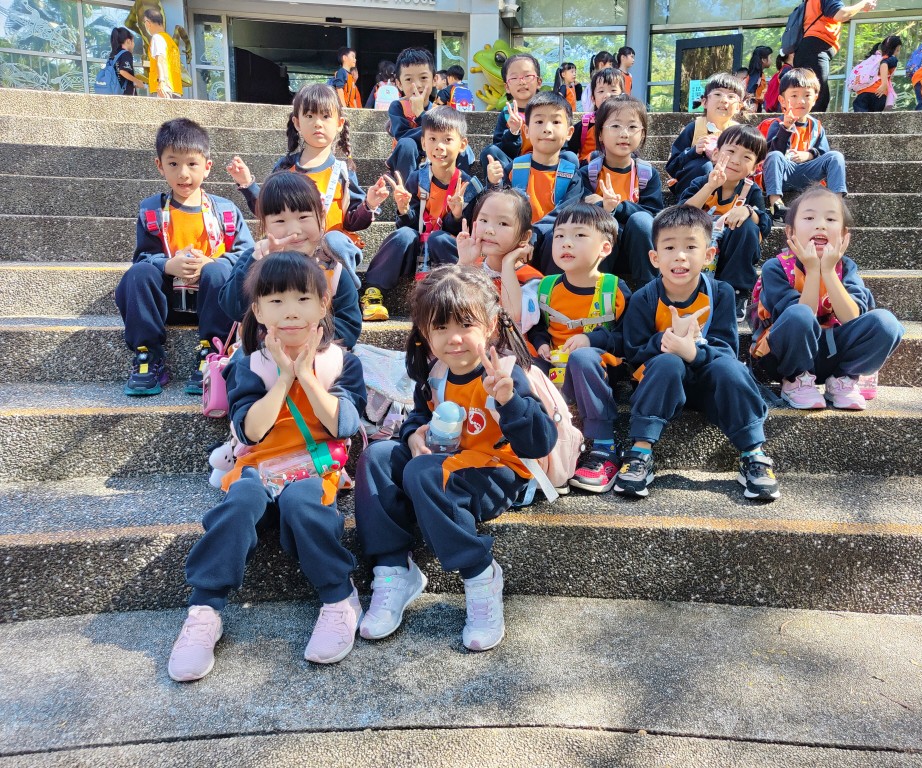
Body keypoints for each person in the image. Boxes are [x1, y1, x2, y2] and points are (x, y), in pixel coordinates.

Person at [166, 252, 368, 682]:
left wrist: (306, 375)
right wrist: (282, 378)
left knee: (303, 501)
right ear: (257, 311)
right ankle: (204, 612)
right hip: (259, 466)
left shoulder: (342, 362)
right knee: (240, 499)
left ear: (323, 304)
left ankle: (338, 597)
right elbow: (251, 431)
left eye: (302, 299)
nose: (290, 311)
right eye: (276, 301)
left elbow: (345, 424)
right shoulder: (248, 362)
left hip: (313, 467)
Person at [354, 265, 557, 651]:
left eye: (465, 324)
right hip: (445, 467)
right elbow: (419, 416)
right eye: (440, 327)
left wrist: (509, 401)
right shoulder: (435, 374)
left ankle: (480, 576)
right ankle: (394, 571)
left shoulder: (504, 374)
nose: (454, 338)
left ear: (491, 326)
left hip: (495, 476)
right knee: (378, 456)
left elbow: (539, 443)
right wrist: (414, 434)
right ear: (425, 333)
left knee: (423, 472)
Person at [615, 206, 779, 502]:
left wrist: (692, 351)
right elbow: (634, 355)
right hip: (660, 386)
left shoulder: (720, 293)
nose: (680, 256)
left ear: (709, 255)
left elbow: (725, 349)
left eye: (691, 247)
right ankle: (640, 451)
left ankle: (753, 453)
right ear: (654, 257)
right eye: (669, 247)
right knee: (667, 363)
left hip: (708, 385)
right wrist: (666, 341)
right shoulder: (644, 298)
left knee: (732, 369)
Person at [116, 118, 253, 396]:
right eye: (173, 164)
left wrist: (212, 262)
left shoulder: (226, 211)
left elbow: (246, 255)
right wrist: (168, 265)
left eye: (192, 164)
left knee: (219, 271)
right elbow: (144, 257)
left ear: (207, 166)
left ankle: (212, 351)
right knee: (138, 274)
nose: (183, 174)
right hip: (168, 302)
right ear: (160, 165)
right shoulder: (152, 211)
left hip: (214, 302)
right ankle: (148, 355)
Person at [749, 187, 904, 410]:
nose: (820, 225)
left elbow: (852, 317)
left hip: (833, 354)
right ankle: (796, 382)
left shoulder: (846, 268)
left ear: (843, 234)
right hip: (786, 356)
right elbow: (800, 316)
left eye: (830, 219)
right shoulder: (776, 267)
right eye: (809, 218)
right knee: (800, 314)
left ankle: (843, 380)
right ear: (790, 232)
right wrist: (813, 270)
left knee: (886, 323)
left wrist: (829, 271)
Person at [225, 84, 387, 281]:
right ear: (297, 122)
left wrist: (369, 204)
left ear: (339, 123)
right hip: (295, 245)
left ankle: (347, 287)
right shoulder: (286, 168)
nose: (317, 123)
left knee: (334, 240)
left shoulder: (343, 172)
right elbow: (269, 212)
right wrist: (248, 184)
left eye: (325, 116)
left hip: (331, 253)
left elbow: (352, 223)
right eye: (309, 116)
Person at [528, 204, 630, 493]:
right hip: (555, 367)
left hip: (598, 369)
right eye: (559, 236)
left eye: (579, 235)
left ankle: (604, 447)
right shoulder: (546, 287)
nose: (566, 243)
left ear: (605, 248)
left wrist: (592, 340)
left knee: (584, 358)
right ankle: (539, 447)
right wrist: (541, 343)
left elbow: (628, 337)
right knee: (524, 368)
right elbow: (537, 326)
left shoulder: (614, 289)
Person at [360, 107, 484, 322]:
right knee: (403, 236)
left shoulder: (469, 186)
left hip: (448, 253)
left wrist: (456, 216)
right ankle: (373, 292)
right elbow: (408, 226)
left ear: (463, 144)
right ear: (424, 143)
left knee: (439, 238)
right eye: (433, 139)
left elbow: (469, 234)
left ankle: (463, 295)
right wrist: (404, 209)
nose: (439, 146)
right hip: (419, 247)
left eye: (447, 140)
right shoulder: (418, 179)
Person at [219, 172, 362, 349]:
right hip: (263, 355)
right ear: (265, 224)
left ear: (321, 216)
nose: (294, 230)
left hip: (317, 355)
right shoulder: (254, 258)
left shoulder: (334, 271)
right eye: (280, 220)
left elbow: (349, 326)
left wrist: (301, 337)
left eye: (303, 217)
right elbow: (233, 308)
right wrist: (256, 263)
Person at [487, 91, 584, 275]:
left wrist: (534, 234)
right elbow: (497, 206)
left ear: (570, 132)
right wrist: (493, 184)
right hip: (516, 240)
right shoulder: (514, 168)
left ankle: (550, 289)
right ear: (526, 131)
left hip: (550, 244)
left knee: (557, 236)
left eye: (556, 122)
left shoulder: (572, 176)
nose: (547, 128)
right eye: (539, 121)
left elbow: (565, 213)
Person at [680, 124, 771, 318]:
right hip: (700, 253)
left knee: (748, 226)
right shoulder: (701, 182)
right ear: (715, 154)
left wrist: (748, 211)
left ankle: (737, 291)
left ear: (754, 168)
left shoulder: (751, 190)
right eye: (731, 151)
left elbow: (765, 224)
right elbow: (681, 215)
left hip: (732, 258)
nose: (736, 160)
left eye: (746, 157)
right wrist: (709, 187)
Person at [579, 94, 664, 286]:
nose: (624, 134)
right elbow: (580, 213)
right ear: (600, 133)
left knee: (641, 220)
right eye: (615, 126)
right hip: (601, 253)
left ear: (642, 134)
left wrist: (618, 207)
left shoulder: (647, 174)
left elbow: (654, 215)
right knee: (601, 222)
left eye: (632, 127)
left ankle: (649, 290)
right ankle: (596, 289)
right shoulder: (588, 174)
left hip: (638, 250)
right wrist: (604, 208)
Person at [762, 68, 847, 220]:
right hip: (783, 173)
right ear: (782, 100)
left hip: (808, 173)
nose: (801, 101)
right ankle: (776, 203)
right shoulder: (776, 123)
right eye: (794, 95)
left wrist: (808, 155)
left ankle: (837, 202)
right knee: (774, 156)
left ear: (815, 99)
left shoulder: (816, 126)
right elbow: (771, 153)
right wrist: (785, 129)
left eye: (807, 95)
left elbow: (824, 153)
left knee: (836, 156)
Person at [456, 188, 542, 334]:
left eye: (502, 223)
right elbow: (446, 306)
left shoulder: (530, 280)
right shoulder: (472, 268)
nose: (489, 230)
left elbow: (513, 318)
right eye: (483, 220)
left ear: (525, 237)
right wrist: (463, 263)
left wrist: (508, 264)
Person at [384, 47, 474, 185]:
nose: (417, 85)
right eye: (409, 79)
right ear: (399, 84)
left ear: (434, 80)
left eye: (423, 78)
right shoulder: (397, 106)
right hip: (408, 160)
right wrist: (423, 117)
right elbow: (402, 135)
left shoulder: (440, 110)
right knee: (407, 144)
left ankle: (458, 187)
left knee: (463, 147)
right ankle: (408, 193)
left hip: (436, 156)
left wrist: (421, 113)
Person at [665, 73, 744, 200]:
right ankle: (687, 206)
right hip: (691, 187)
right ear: (705, 102)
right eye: (718, 94)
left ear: (739, 107)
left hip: (725, 186)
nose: (724, 100)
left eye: (731, 96)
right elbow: (671, 166)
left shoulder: (739, 133)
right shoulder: (694, 128)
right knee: (704, 166)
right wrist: (693, 152)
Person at [792, 0, 878, 112]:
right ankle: (810, 122)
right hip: (815, 47)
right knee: (818, 95)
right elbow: (841, 14)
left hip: (807, 49)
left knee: (812, 91)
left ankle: (807, 121)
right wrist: (862, 4)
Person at [480, 53, 545, 178]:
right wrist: (513, 133)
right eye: (514, 78)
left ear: (539, 82)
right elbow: (501, 149)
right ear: (507, 87)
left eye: (527, 76)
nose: (521, 82)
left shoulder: (549, 110)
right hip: (515, 167)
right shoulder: (506, 114)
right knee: (489, 152)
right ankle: (500, 188)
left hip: (545, 164)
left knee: (569, 156)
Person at [567, 67, 626, 163]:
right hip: (587, 169)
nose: (607, 95)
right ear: (593, 98)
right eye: (601, 91)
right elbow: (569, 149)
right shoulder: (585, 125)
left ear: (622, 96)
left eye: (613, 90)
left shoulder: (627, 126)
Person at [850, 36, 901, 113]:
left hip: (863, 92)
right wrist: (884, 84)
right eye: (898, 50)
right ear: (895, 49)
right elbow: (884, 64)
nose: (898, 53)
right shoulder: (891, 59)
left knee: (860, 115)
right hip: (879, 93)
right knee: (874, 117)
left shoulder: (874, 57)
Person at [141, 8, 181, 99]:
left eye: (144, 23)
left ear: (148, 23)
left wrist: (161, 81)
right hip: (175, 88)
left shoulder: (157, 38)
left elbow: (161, 59)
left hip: (163, 89)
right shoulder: (170, 41)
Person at [107, 27, 145, 95]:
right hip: (125, 93)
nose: (134, 44)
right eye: (133, 41)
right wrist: (137, 81)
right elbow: (122, 71)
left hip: (114, 92)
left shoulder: (112, 55)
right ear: (128, 41)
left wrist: (133, 83)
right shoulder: (126, 54)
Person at [745, 46, 773, 111]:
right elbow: (750, 91)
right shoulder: (756, 75)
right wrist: (753, 101)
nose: (771, 60)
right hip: (752, 109)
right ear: (763, 60)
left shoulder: (758, 74)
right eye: (770, 57)